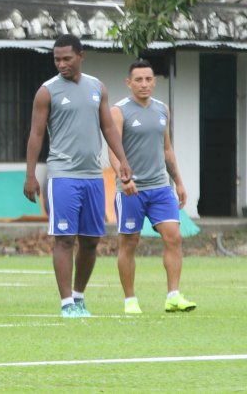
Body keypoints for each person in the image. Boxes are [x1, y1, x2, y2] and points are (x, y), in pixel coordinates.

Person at [24, 34, 132, 318]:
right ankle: (65, 303)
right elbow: (36, 134)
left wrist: (122, 160)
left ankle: (79, 296)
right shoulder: (47, 92)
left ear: (80, 56)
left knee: (91, 240)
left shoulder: (97, 88)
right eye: (56, 59)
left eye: (66, 59)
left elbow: (108, 127)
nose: (61, 64)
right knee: (64, 239)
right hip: (62, 175)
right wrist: (30, 174)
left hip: (93, 176)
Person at [107, 59, 196, 315]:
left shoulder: (162, 110)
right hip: (131, 190)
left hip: (160, 188)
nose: (144, 84)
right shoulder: (119, 111)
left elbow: (167, 149)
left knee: (174, 237)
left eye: (148, 79)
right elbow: (113, 150)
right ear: (129, 83)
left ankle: (173, 296)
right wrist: (124, 178)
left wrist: (178, 181)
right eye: (139, 80)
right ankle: (130, 300)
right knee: (129, 242)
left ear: (154, 82)